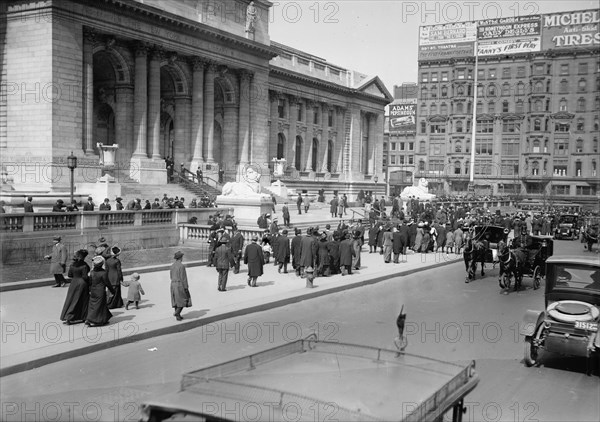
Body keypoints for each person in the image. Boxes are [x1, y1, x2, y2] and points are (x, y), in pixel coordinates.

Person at [60, 249, 90, 325]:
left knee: (71, 299)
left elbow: (70, 275)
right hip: (82, 283)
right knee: (81, 300)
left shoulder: (72, 265)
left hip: (74, 282)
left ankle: (68, 316)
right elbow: (85, 277)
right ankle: (82, 316)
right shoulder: (84, 265)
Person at [85, 256, 115, 327]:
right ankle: (95, 320)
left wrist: (89, 290)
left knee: (93, 305)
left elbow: (90, 282)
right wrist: (112, 290)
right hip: (100, 291)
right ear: (102, 264)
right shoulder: (103, 273)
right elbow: (107, 283)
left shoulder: (92, 272)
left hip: (93, 290)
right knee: (99, 306)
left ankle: (99, 319)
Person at [170, 251, 192, 321]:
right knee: (184, 300)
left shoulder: (172, 265)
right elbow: (183, 278)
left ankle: (178, 316)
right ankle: (177, 313)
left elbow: (171, 276)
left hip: (173, 284)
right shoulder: (181, 266)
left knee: (176, 300)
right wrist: (186, 287)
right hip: (179, 284)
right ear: (181, 258)